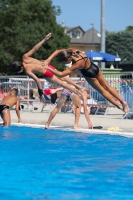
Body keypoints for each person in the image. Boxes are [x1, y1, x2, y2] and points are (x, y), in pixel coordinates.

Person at [43, 48, 129, 114]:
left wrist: (48, 68)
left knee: (102, 91)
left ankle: (118, 106)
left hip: (89, 73)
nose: (64, 64)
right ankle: (122, 101)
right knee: (107, 86)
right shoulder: (72, 51)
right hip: (95, 68)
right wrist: (48, 60)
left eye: (64, 63)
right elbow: (57, 51)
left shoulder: (76, 64)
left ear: (69, 59)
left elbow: (61, 74)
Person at [11, 33, 83, 103]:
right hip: (47, 65)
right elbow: (35, 48)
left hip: (46, 73)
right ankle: (78, 86)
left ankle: (77, 91)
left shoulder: (27, 70)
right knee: (62, 77)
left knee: (61, 83)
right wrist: (44, 39)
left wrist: (41, 93)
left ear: (20, 69)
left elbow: (37, 80)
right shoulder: (25, 57)